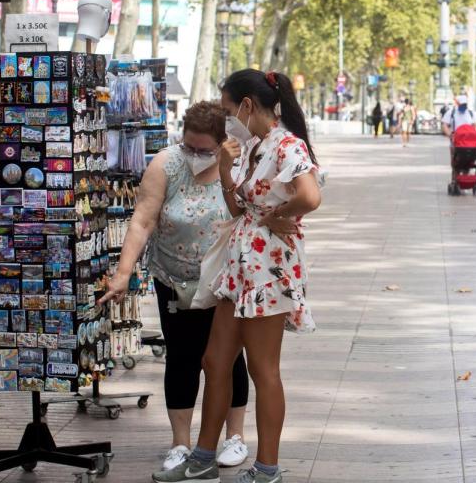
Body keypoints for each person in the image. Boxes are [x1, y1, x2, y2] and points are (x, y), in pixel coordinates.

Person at [153, 70, 322, 483]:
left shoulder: (286, 144)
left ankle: (267, 467)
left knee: (263, 370)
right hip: (240, 265)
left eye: (229, 109)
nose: (227, 118)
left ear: (247, 105)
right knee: (215, 360)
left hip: (268, 270)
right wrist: (228, 171)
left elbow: (310, 196)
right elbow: (236, 208)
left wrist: (274, 214)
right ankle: (204, 456)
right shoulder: (252, 147)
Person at [100, 101, 250, 472]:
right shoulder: (166, 163)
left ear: (222, 142)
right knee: (182, 357)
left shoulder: (237, 164)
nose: (196, 155)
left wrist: (228, 168)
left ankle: (235, 435)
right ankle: (181, 443)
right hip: (174, 279)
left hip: (225, 280)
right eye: (190, 147)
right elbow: (142, 220)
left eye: (205, 150)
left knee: (227, 357)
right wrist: (123, 272)